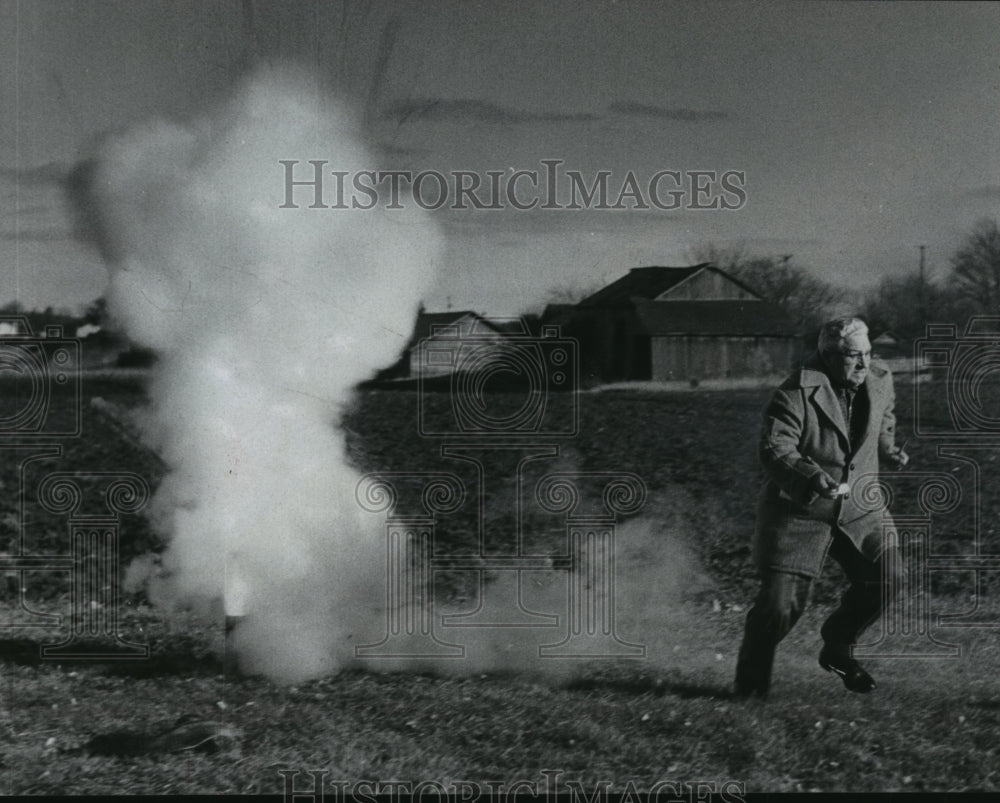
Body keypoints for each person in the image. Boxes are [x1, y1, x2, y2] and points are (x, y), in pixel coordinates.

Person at [733, 317, 908, 698]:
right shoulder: (794, 391)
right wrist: (811, 476)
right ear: (828, 355)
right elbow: (776, 449)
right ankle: (749, 689)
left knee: (888, 575)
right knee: (779, 607)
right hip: (800, 509)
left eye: (867, 354)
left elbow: (883, 416)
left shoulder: (879, 377)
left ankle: (837, 646)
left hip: (861, 504)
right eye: (852, 356)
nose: (863, 364)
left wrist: (888, 449)